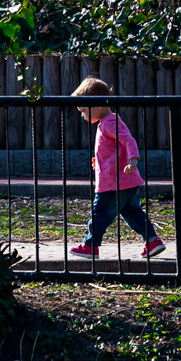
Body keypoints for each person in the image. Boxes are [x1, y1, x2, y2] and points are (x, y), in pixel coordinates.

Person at [67, 76, 166, 260]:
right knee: (133, 213)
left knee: (99, 214)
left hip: (113, 183)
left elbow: (128, 140)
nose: (82, 115)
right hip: (126, 182)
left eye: (83, 111)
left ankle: (90, 246)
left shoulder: (108, 124)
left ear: (97, 105)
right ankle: (152, 240)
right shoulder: (110, 121)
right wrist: (100, 162)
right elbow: (114, 150)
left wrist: (134, 160)